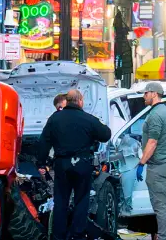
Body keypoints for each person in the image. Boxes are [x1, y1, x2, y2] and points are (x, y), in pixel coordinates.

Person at [38, 89, 111, 240]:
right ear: (80, 101)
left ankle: (58, 236)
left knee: (61, 201)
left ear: (67, 101)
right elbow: (106, 134)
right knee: (81, 200)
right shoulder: (88, 119)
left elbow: (44, 142)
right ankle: (77, 235)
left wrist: (41, 163)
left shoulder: (54, 119)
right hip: (82, 165)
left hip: (62, 164)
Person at [135, 82, 166, 240]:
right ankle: (164, 235)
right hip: (164, 163)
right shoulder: (163, 111)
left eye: (146, 93)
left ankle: (164, 237)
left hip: (158, 165)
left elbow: (152, 142)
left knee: (160, 206)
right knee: (162, 203)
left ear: (154, 94)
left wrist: (141, 163)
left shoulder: (156, 114)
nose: (144, 96)